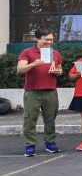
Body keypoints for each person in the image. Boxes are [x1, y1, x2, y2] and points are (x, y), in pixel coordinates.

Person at [17, 29, 63, 157]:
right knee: (30, 119)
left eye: (51, 40)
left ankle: (50, 144)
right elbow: (20, 69)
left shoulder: (55, 53)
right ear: (37, 39)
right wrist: (33, 64)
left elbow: (59, 69)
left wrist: (58, 72)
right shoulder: (27, 52)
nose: (49, 42)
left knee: (50, 119)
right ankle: (30, 146)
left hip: (50, 91)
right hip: (32, 92)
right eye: (46, 39)